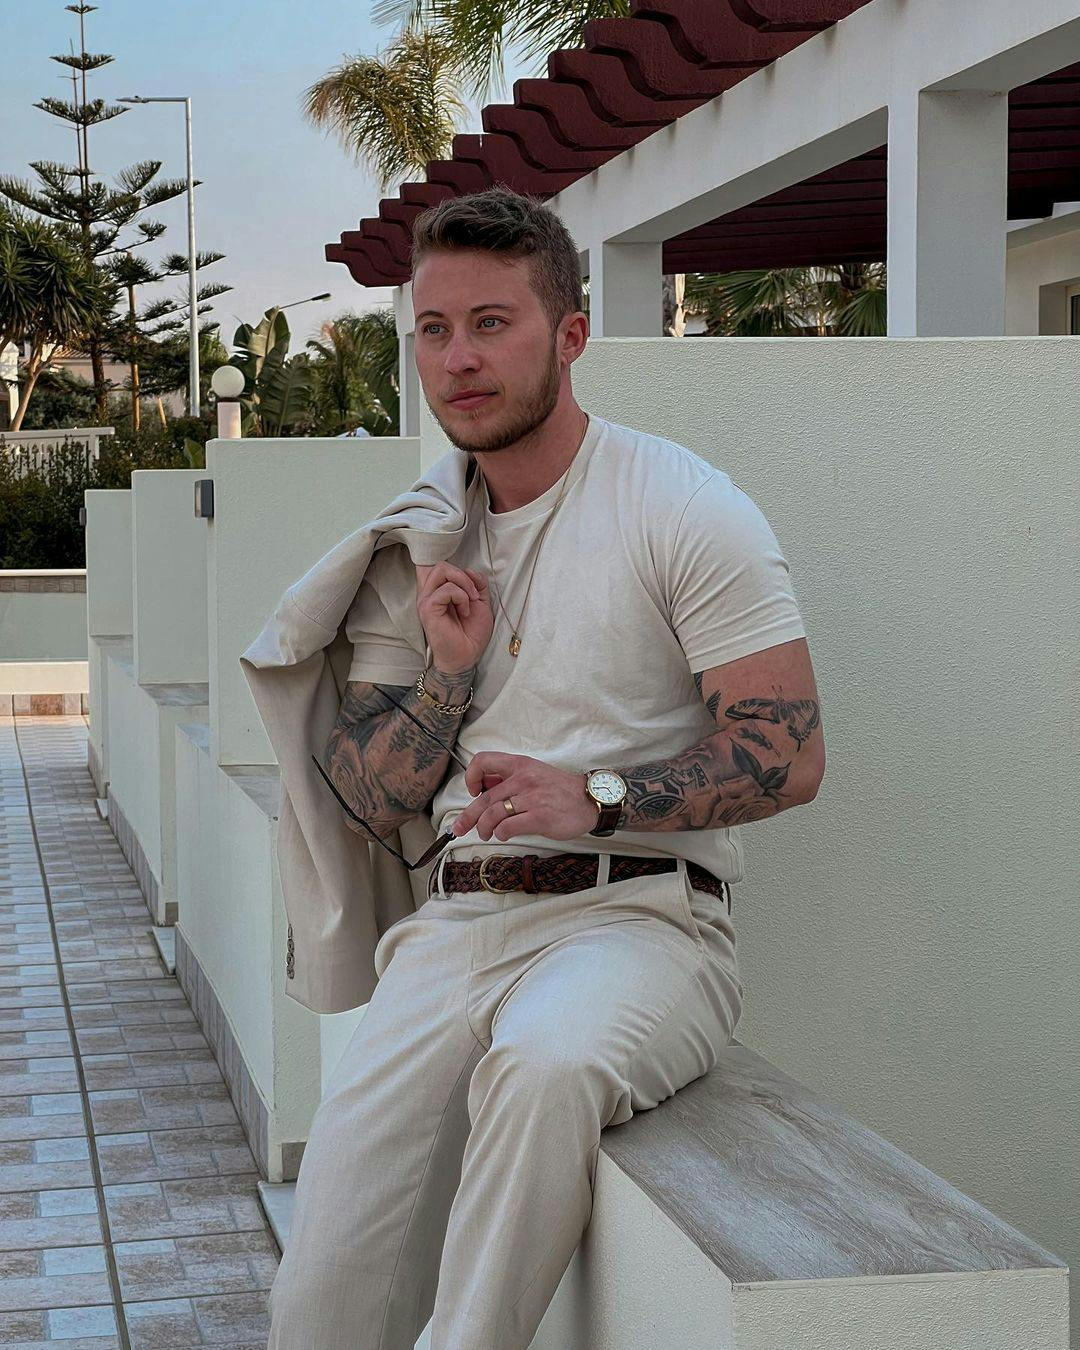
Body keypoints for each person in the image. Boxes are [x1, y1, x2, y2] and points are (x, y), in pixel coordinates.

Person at [266, 185, 825, 1349]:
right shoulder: (420, 542)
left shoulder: (679, 506)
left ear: (569, 336)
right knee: (324, 1283)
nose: (458, 358)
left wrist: (598, 796)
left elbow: (791, 750)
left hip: (645, 919)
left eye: (492, 323)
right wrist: (448, 677)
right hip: (457, 925)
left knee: (544, 1068)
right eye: (433, 328)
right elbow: (368, 796)